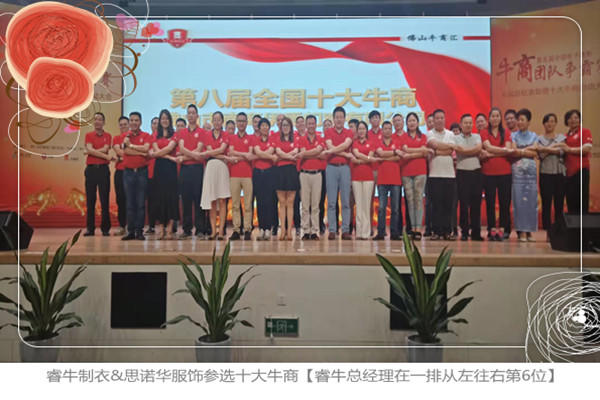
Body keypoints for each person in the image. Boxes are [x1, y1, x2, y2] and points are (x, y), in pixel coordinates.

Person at [480, 107, 514, 241]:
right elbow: (488, 147)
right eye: (493, 116)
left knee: (505, 202)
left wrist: (491, 154)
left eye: (497, 116)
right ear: (489, 118)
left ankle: (505, 229)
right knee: (490, 202)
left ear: (500, 118)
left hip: (505, 172)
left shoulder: (506, 132)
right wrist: (503, 150)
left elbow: (509, 149)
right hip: (488, 172)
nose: (495, 118)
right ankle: (491, 229)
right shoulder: (484, 132)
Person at [177, 104, 209, 239]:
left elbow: (199, 150)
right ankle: (187, 229)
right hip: (185, 170)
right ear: (186, 116)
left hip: (197, 169)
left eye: (193, 113)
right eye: (189, 113)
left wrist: (185, 157)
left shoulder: (202, 132)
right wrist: (192, 155)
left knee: (198, 199)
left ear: (197, 116)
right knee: (186, 199)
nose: (191, 115)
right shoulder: (182, 132)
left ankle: (200, 229)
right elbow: (181, 148)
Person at [426, 109, 457, 241]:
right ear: (433, 120)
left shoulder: (451, 134)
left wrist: (438, 151)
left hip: (449, 175)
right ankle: (436, 231)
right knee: (436, 205)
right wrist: (446, 148)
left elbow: (451, 149)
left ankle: (447, 231)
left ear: (445, 119)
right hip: (434, 174)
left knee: (448, 205)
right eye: (437, 118)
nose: (439, 120)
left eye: (441, 118)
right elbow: (434, 144)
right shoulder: (429, 134)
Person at [200, 111, 231, 240]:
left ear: (222, 121)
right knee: (212, 200)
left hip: (222, 167)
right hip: (211, 167)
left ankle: (221, 231)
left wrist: (214, 154)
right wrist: (222, 156)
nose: (217, 122)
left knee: (222, 199)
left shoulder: (226, 134)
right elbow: (210, 152)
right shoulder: (207, 134)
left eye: (219, 120)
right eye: (215, 120)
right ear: (212, 121)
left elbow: (220, 149)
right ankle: (213, 231)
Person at [323, 106, 353, 240]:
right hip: (331, 168)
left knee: (345, 201)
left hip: (344, 168)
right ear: (333, 119)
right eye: (337, 117)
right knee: (331, 202)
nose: (339, 119)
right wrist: (344, 154)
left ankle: (345, 230)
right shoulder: (328, 131)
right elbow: (330, 146)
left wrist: (331, 151)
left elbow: (346, 145)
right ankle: (332, 230)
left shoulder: (349, 132)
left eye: (341, 117)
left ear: (344, 118)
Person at [149, 109, 179, 240]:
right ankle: (161, 229)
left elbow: (168, 149)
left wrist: (158, 154)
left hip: (171, 170)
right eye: (162, 118)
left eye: (166, 118)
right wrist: (170, 157)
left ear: (170, 120)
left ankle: (169, 230)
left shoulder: (175, 134)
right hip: (159, 169)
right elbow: (157, 150)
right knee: (159, 198)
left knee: (171, 198)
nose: (164, 120)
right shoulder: (156, 134)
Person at [399, 112, 430, 240]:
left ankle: (418, 229)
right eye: (409, 121)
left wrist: (411, 154)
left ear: (418, 123)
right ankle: (412, 228)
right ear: (406, 124)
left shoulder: (423, 136)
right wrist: (419, 151)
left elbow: (425, 152)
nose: (411, 123)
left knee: (418, 199)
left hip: (420, 171)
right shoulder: (403, 137)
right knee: (410, 200)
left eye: (414, 120)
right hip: (406, 172)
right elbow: (405, 149)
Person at [121, 112, 152, 240]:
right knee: (130, 203)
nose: (134, 122)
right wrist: (139, 152)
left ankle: (139, 231)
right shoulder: (125, 136)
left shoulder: (146, 135)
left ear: (141, 122)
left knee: (140, 203)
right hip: (128, 173)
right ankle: (130, 231)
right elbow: (126, 151)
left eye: (136, 120)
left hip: (141, 172)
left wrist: (132, 146)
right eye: (132, 120)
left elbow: (146, 149)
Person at [536, 113, 566, 242]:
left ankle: (559, 232)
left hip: (560, 174)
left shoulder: (562, 138)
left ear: (556, 123)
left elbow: (563, 152)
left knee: (559, 204)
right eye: (547, 121)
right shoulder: (539, 139)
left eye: (552, 121)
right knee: (546, 204)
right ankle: (548, 232)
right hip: (546, 174)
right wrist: (554, 147)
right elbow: (541, 155)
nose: (550, 124)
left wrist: (547, 149)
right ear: (544, 124)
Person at [454, 114, 483, 241]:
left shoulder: (477, 136)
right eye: (466, 123)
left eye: (470, 123)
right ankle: (465, 232)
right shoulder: (455, 138)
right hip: (462, 173)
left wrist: (465, 151)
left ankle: (476, 232)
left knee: (476, 204)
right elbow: (458, 150)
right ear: (461, 124)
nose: (468, 125)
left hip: (476, 172)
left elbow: (478, 149)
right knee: (464, 204)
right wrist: (472, 151)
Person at [511, 108, 539, 242]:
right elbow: (514, 151)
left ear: (528, 122)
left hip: (531, 172)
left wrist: (522, 150)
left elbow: (535, 150)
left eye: (522, 120)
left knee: (531, 201)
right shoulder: (513, 135)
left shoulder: (534, 136)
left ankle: (529, 231)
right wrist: (527, 150)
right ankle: (521, 231)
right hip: (517, 171)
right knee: (519, 201)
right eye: (519, 120)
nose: (520, 122)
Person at [227, 112, 255, 240]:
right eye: (239, 121)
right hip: (234, 174)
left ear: (246, 123)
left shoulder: (251, 138)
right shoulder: (232, 138)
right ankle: (236, 230)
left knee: (248, 204)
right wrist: (243, 155)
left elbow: (250, 156)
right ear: (236, 123)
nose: (241, 123)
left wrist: (237, 155)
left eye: (243, 121)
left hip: (247, 174)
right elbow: (231, 152)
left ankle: (248, 229)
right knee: (235, 204)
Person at [83, 112, 112, 237]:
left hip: (103, 170)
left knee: (104, 200)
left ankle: (105, 229)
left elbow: (105, 149)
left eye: (100, 119)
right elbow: (91, 149)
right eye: (95, 119)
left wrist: (90, 152)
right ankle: (90, 228)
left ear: (104, 122)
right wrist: (103, 155)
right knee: (90, 200)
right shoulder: (89, 135)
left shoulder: (108, 136)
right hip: (91, 170)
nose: (97, 121)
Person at [373, 121, 403, 240]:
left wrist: (385, 157)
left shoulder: (398, 141)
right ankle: (381, 232)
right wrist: (394, 153)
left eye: (389, 128)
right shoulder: (378, 142)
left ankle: (394, 233)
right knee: (381, 208)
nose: (387, 130)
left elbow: (399, 157)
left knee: (395, 209)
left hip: (395, 179)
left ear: (392, 130)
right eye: (385, 128)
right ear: (382, 130)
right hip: (382, 179)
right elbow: (380, 153)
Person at [559, 109, 593, 214]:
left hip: (581, 172)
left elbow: (586, 149)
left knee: (582, 202)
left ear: (580, 119)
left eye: (576, 117)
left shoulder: (585, 132)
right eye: (570, 118)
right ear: (566, 121)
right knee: (571, 203)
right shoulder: (565, 137)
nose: (573, 120)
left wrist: (569, 149)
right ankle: (573, 224)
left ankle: (583, 224)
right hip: (568, 175)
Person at [298, 115, 324, 240]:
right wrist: (315, 153)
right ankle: (305, 230)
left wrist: (305, 154)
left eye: (313, 123)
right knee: (305, 205)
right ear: (306, 125)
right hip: (304, 174)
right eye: (309, 123)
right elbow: (309, 153)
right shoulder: (302, 139)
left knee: (315, 205)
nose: (311, 126)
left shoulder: (321, 138)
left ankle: (315, 231)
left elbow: (318, 152)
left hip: (317, 174)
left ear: (316, 124)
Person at [273, 117, 300, 240]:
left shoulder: (296, 138)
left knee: (290, 202)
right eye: (283, 125)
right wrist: (289, 157)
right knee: (282, 202)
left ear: (291, 127)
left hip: (292, 172)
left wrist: (285, 156)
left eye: (287, 125)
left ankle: (289, 231)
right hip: (280, 171)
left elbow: (296, 151)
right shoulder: (277, 139)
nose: (285, 127)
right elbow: (278, 152)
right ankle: (282, 230)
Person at [350, 120, 377, 240]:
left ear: (366, 130)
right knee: (359, 205)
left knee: (366, 205)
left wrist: (360, 160)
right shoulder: (354, 143)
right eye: (359, 129)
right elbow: (356, 153)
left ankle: (366, 232)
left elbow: (370, 156)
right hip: (356, 177)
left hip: (368, 177)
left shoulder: (371, 143)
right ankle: (359, 232)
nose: (361, 131)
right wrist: (367, 159)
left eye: (363, 129)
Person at [253, 118, 277, 240]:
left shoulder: (273, 139)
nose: (264, 127)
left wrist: (263, 155)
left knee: (268, 201)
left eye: (266, 125)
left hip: (269, 172)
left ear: (269, 127)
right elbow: (259, 153)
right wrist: (270, 157)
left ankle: (268, 228)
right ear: (259, 128)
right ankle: (261, 228)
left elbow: (267, 151)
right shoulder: (255, 139)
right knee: (259, 201)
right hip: (257, 172)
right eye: (262, 125)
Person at [112, 115, 129, 236]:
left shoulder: (133, 137)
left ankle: (131, 226)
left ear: (129, 125)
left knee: (131, 200)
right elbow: (118, 151)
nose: (123, 127)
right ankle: (122, 225)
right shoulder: (116, 138)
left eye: (125, 124)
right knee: (120, 199)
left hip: (131, 171)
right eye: (121, 125)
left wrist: (123, 157)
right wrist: (131, 154)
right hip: (119, 172)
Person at [146, 116, 160, 234]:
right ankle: (151, 225)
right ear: (151, 125)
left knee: (163, 200)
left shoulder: (162, 138)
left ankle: (166, 226)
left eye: (157, 123)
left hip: (162, 174)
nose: (155, 125)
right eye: (154, 123)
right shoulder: (147, 138)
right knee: (151, 201)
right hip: (149, 174)